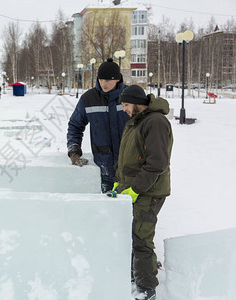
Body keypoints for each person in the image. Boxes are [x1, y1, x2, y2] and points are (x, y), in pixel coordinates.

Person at [112, 84, 173, 300]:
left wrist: (135, 190)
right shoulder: (137, 121)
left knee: (141, 237)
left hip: (149, 190)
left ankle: (147, 288)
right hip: (137, 188)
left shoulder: (155, 122)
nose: (125, 109)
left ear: (138, 103)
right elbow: (128, 160)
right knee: (134, 233)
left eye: (127, 105)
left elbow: (157, 163)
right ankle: (136, 274)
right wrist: (118, 185)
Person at [67, 58, 129, 192]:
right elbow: (75, 125)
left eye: (107, 80)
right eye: (101, 79)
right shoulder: (89, 99)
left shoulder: (130, 96)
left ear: (117, 79)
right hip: (103, 169)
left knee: (129, 210)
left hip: (130, 168)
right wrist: (74, 150)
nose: (103, 84)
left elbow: (145, 125)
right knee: (105, 211)